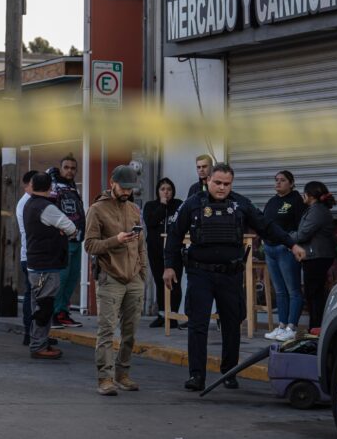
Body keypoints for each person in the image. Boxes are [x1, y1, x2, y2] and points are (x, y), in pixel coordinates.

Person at [164, 163, 306, 392]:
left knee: (231, 325)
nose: (221, 188)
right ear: (208, 180)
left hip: (230, 274)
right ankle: (196, 375)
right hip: (200, 273)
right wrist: (169, 267)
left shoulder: (241, 203)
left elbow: (266, 226)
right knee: (198, 324)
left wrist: (291, 244)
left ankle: (229, 373)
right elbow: (174, 235)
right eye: (217, 183)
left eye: (227, 184)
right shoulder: (192, 204)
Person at [84, 165, 148, 396]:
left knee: (130, 331)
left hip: (134, 278)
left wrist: (143, 272)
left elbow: (141, 244)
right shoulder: (97, 209)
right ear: (112, 183)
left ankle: (123, 374)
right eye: (123, 188)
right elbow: (89, 245)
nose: (127, 192)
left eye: (131, 189)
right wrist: (115, 240)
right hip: (110, 277)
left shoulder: (133, 209)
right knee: (107, 331)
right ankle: (105, 378)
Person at [24, 173, 77, 360]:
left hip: (35, 263)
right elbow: (71, 227)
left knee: (38, 306)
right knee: (45, 307)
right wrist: (61, 231)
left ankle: (37, 342)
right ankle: (39, 346)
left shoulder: (29, 204)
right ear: (49, 188)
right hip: (47, 264)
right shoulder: (46, 207)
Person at [262, 170, 306, 343]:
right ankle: (281, 326)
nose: (278, 183)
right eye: (276, 180)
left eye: (282, 180)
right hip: (270, 249)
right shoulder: (272, 201)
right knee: (279, 291)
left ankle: (292, 327)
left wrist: (291, 244)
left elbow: (301, 227)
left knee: (293, 290)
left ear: (291, 183)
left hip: (285, 249)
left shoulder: (296, 201)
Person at [291, 181, 337, 334]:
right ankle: (315, 328)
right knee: (313, 293)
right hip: (315, 255)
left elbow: (304, 233)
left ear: (310, 196)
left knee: (314, 294)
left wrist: (285, 238)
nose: (302, 196)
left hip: (317, 257)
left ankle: (315, 329)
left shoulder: (317, 211)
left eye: (304, 193)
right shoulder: (315, 209)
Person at [47, 155, 86, 328]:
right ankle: (54, 313)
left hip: (77, 239)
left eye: (73, 168)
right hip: (63, 240)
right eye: (66, 167)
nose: (69, 171)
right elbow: (50, 211)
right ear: (60, 168)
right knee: (61, 279)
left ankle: (63, 312)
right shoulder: (54, 185)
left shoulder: (71, 187)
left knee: (72, 278)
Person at [142, 177, 184, 328]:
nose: (166, 192)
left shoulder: (179, 205)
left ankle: (172, 315)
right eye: (163, 189)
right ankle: (161, 314)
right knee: (160, 282)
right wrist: (162, 205)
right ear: (158, 191)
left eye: (169, 189)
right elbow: (151, 222)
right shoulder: (150, 205)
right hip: (155, 250)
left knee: (174, 282)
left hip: (174, 251)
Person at [16, 169, 37, 346]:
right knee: (32, 295)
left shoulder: (32, 201)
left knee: (35, 295)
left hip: (31, 254)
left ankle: (34, 333)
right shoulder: (26, 203)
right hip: (30, 255)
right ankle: (29, 332)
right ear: (27, 185)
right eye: (35, 184)